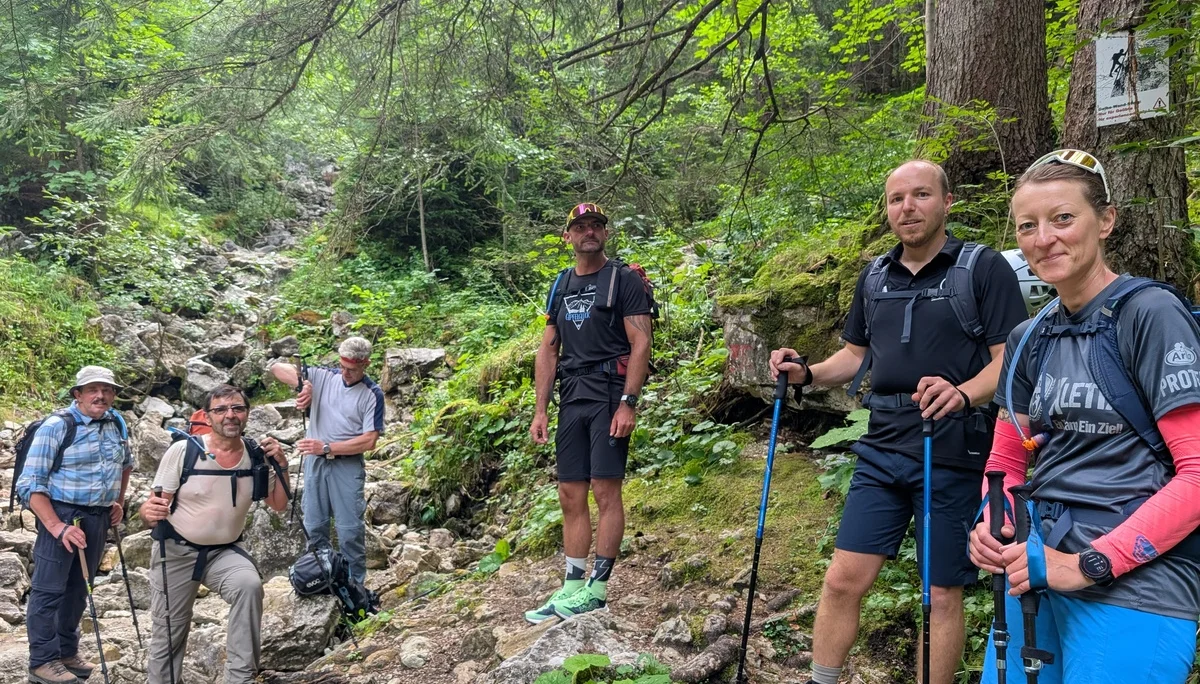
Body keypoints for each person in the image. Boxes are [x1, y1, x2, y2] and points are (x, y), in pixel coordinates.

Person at [770, 160, 1027, 684]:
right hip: (882, 447)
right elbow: (852, 356)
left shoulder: (982, 269)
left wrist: (961, 393)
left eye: (921, 195)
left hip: (953, 448)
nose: (907, 208)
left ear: (947, 201)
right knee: (843, 580)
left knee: (940, 593)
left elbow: (1011, 360)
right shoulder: (876, 276)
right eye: (895, 199)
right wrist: (805, 374)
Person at [969, 150, 1200, 682]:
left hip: (1136, 586)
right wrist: (991, 520)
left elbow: (1195, 474)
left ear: (1106, 221)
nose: (1043, 238)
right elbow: (1006, 459)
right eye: (1028, 226)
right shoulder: (1030, 338)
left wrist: (1089, 564)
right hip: (1037, 572)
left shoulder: (1151, 315)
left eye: (1063, 218)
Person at [525, 202, 653, 623]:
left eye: (596, 225)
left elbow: (640, 344)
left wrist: (628, 403)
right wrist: (540, 409)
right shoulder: (560, 284)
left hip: (610, 392)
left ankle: (597, 590)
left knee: (604, 489)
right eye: (580, 227)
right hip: (573, 393)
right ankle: (571, 585)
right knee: (569, 492)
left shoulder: (623, 279)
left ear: (605, 233)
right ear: (569, 236)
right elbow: (548, 350)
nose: (588, 232)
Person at [139, 385, 289, 684]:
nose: (230, 415)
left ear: (247, 414)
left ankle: (240, 678)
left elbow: (279, 505)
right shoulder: (184, 451)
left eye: (237, 408)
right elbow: (154, 506)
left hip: (225, 550)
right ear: (207, 416)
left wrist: (281, 465)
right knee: (169, 630)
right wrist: (147, 512)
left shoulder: (257, 455)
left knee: (249, 586)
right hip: (176, 550)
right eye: (220, 410)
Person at [17, 366, 132, 684]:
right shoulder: (57, 426)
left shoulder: (117, 422)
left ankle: (67, 653)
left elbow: (125, 465)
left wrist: (118, 501)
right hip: (63, 515)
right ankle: (42, 660)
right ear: (77, 394)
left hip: (98, 516)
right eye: (93, 389)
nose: (101, 395)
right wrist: (57, 526)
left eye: (107, 390)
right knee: (48, 590)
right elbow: (30, 484)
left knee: (79, 589)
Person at [268, 336, 383, 583]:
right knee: (314, 524)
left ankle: (355, 588)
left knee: (349, 530)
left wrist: (327, 446)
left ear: (365, 364)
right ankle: (319, 578)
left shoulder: (371, 394)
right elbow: (277, 368)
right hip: (315, 464)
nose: (345, 373)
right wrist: (303, 385)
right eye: (342, 366)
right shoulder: (324, 376)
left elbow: (369, 441)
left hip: (346, 464)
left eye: (351, 369)